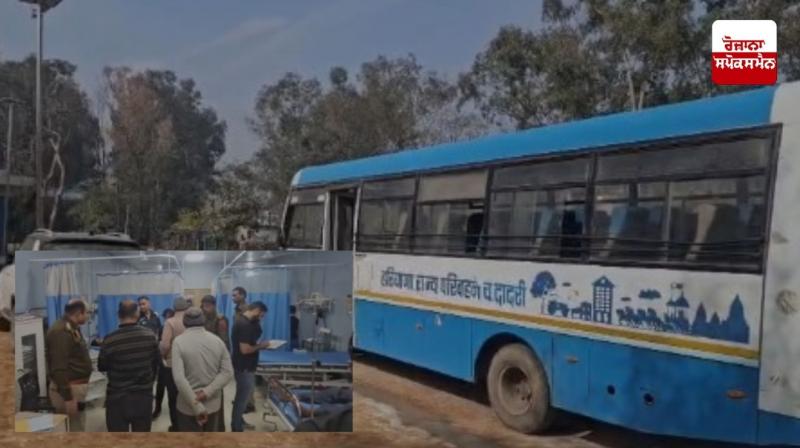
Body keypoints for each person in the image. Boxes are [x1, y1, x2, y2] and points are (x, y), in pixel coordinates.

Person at [97, 300, 160, 432]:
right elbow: (156, 364)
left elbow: (102, 366)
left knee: (119, 441)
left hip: (117, 398)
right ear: (137, 314)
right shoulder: (150, 336)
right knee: (141, 440)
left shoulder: (110, 339)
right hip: (143, 396)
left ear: (118, 315)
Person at [171, 307, 234, 432]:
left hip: (187, 405)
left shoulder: (178, 342)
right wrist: (206, 392)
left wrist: (197, 407)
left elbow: (179, 379)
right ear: (203, 321)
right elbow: (227, 373)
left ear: (184, 322)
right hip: (212, 404)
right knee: (210, 442)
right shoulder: (217, 341)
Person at [45, 298, 92, 432]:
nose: (89, 315)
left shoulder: (72, 327)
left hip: (75, 387)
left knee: (78, 426)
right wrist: (68, 398)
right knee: (73, 430)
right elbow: (58, 367)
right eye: (87, 312)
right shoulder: (60, 331)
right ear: (79, 313)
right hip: (68, 389)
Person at [230, 301, 273, 432]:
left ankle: (239, 422)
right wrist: (262, 346)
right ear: (257, 310)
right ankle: (236, 428)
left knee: (241, 397)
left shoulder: (247, 322)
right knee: (242, 399)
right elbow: (245, 350)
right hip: (244, 367)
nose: (261, 318)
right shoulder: (244, 325)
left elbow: (254, 337)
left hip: (244, 365)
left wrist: (257, 321)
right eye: (261, 315)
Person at [159, 296, 189, 431]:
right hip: (190, 365)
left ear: (174, 307)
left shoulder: (170, 322)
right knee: (188, 395)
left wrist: (164, 356)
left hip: (172, 365)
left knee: (173, 397)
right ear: (186, 307)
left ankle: (176, 427)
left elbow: (165, 345)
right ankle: (188, 425)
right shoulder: (191, 321)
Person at [152, 308, 174, 419]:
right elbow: (160, 344)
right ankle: (157, 409)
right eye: (166, 317)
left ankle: (174, 413)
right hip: (162, 361)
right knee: (160, 387)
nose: (167, 319)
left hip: (173, 362)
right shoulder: (162, 328)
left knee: (173, 390)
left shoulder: (176, 327)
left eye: (169, 316)